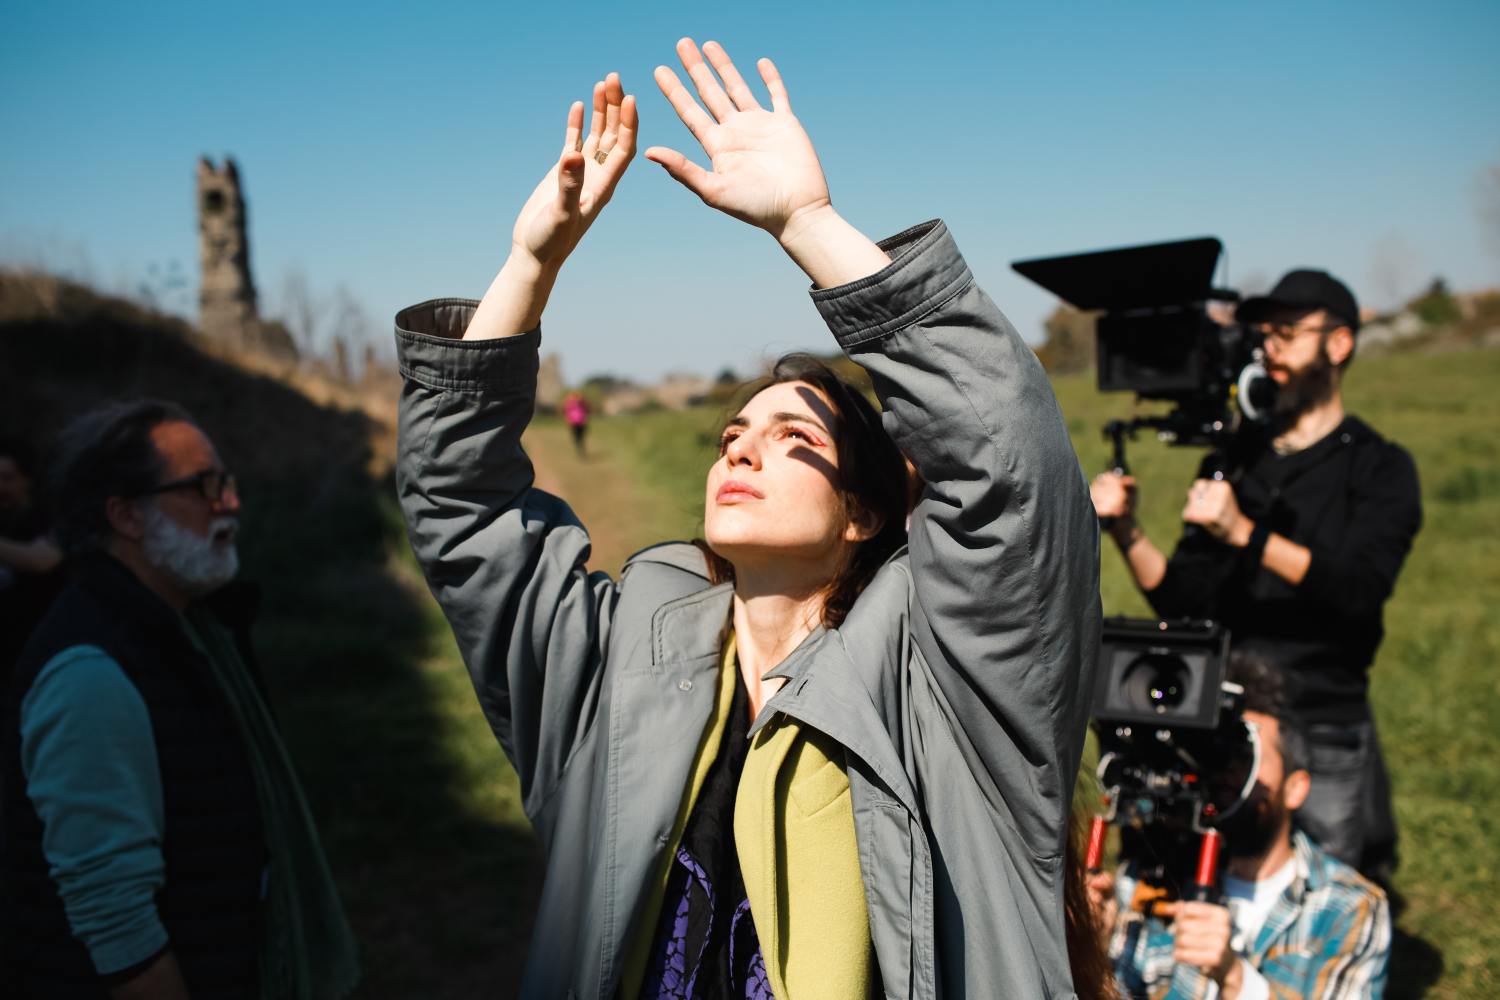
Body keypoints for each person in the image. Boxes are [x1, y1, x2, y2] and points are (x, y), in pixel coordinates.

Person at [395, 40, 1101, 999]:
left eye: (791, 437)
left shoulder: (952, 686)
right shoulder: (610, 679)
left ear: (862, 514)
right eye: (733, 435)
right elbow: (459, 508)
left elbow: (1007, 458)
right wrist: (530, 264)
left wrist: (809, 224)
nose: (740, 450)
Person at [1, 399, 359, 999]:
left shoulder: (187, 629)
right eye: (204, 487)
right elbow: (118, 926)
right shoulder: (91, 673)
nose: (230, 503)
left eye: (227, 483)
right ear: (126, 516)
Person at [1089, 268, 1421, 883]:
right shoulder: (1237, 462)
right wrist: (1127, 530)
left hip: (1319, 720)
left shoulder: (1380, 467)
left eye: (1288, 334)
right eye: (1266, 335)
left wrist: (1245, 533)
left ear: (1339, 344)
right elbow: (1182, 598)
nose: (1270, 349)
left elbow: (1359, 590)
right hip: (1219, 713)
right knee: (1197, 882)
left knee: (1323, 891)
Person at [1088, 655, 1391, 999]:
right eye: (1220, 753)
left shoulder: (1349, 906)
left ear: (1295, 787)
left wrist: (1234, 977)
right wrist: (1093, 947)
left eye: (1246, 754)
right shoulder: (1152, 881)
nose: (1228, 770)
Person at [0, 435, 65, 675]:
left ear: (27, 479)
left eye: (8, 478)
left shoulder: (48, 517)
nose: (1, 486)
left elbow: (41, 560)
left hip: (39, 651)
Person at [563, 390, 591, 456]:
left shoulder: (583, 403)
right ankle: (579, 449)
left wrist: (586, 418)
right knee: (576, 437)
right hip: (573, 423)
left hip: (582, 422)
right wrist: (568, 419)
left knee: (581, 436)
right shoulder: (570, 403)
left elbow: (587, 410)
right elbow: (566, 411)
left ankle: (581, 448)